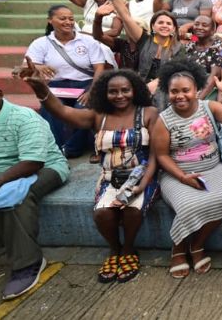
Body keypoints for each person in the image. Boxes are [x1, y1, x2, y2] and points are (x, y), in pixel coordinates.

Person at [19, 64, 158, 283]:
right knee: (102, 214)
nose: (119, 95)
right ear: (104, 92)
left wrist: (144, 183)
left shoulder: (149, 113)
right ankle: (114, 249)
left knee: (132, 210)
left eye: (125, 90)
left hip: (141, 175)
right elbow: (64, 112)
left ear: (135, 90)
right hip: (110, 177)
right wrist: (41, 90)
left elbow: (156, 155)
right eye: (113, 91)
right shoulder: (98, 116)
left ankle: (129, 250)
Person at [0, 77, 69, 300]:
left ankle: (27, 264)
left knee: (13, 196)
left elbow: (32, 162)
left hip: (39, 167)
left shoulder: (23, 117)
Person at [151, 60, 222, 278]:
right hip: (177, 173)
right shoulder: (164, 120)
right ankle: (178, 248)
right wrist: (182, 177)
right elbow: (161, 154)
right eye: (174, 91)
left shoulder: (208, 107)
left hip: (212, 168)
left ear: (197, 90)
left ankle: (197, 245)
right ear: (167, 92)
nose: (179, 95)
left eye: (185, 90)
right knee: (189, 205)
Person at [25, 5, 105, 156]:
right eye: (62, 18)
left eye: (71, 19)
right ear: (50, 20)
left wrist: (92, 91)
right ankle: (55, 148)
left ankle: (72, 149)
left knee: (84, 109)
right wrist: (39, 66)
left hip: (86, 85)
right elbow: (27, 65)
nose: (68, 22)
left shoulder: (88, 41)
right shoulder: (41, 43)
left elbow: (99, 69)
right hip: (57, 87)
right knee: (50, 109)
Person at [108, 0, 185, 90]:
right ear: (153, 26)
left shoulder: (179, 47)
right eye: (161, 23)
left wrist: (150, 88)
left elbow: (175, 74)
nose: (164, 26)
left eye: (168, 24)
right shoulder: (144, 40)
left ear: (174, 28)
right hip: (141, 86)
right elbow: (126, 17)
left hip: (166, 89)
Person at [184, 15, 222, 100]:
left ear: (213, 30)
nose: (199, 27)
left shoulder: (217, 47)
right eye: (196, 24)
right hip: (188, 85)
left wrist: (198, 99)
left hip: (208, 89)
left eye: (204, 25)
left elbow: (215, 75)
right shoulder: (190, 45)